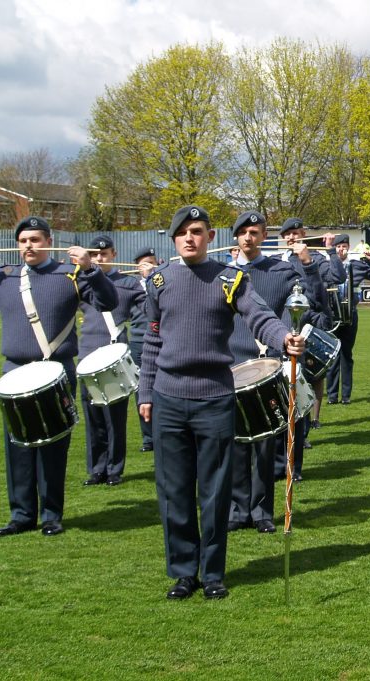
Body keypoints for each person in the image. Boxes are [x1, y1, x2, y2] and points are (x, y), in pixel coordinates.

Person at [138, 205, 304, 600]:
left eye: (197, 231)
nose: (189, 238)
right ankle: (183, 572)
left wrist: (284, 338)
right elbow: (151, 341)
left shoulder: (230, 279)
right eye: (182, 233)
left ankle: (212, 573)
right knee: (174, 490)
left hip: (214, 397)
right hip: (168, 398)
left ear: (211, 237)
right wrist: (145, 393)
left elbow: (260, 317)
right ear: (174, 239)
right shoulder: (159, 281)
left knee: (214, 491)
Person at [0, 216, 118, 537]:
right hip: (15, 373)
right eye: (23, 241)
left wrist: (90, 269)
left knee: (53, 445)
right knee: (17, 445)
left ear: (48, 241)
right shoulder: (5, 277)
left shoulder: (69, 275)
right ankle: (21, 515)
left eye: (35, 239)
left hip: (56, 372)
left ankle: (51, 514)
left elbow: (108, 301)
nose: (29, 246)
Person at [226, 210, 326, 533]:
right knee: (236, 441)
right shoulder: (223, 274)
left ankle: (261, 511)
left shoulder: (281, 271)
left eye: (255, 232)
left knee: (266, 442)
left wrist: (308, 265)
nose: (248, 238)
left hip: (268, 363)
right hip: (231, 363)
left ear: (264, 235)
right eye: (243, 232)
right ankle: (237, 509)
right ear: (236, 237)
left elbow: (310, 302)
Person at [78, 235, 146, 487]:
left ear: (113, 255)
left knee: (114, 418)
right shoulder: (82, 282)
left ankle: (114, 468)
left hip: (114, 357)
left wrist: (149, 282)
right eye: (94, 255)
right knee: (93, 417)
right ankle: (96, 468)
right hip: (86, 355)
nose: (98, 259)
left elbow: (149, 310)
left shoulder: (127, 283)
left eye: (103, 254)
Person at [278, 217, 344, 433]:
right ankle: (291, 428)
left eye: (295, 233)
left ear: (303, 235)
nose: (290, 237)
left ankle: (305, 428)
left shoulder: (315, 257)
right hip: (286, 325)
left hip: (311, 325)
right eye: (287, 234)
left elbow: (338, 276)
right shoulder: (280, 261)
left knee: (309, 377)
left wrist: (331, 251)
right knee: (288, 379)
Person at [327, 235, 370, 405]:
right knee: (332, 355)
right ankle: (331, 396)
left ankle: (346, 396)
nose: (341, 249)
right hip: (332, 316)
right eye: (338, 246)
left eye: (344, 246)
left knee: (346, 355)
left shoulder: (358, 265)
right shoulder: (327, 265)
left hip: (351, 315)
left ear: (349, 247)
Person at [128, 246, 158, 452]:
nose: (146, 265)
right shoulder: (133, 286)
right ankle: (148, 437)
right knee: (142, 389)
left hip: (160, 341)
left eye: (151, 261)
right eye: (143, 263)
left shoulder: (161, 281)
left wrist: (152, 278)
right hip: (139, 341)